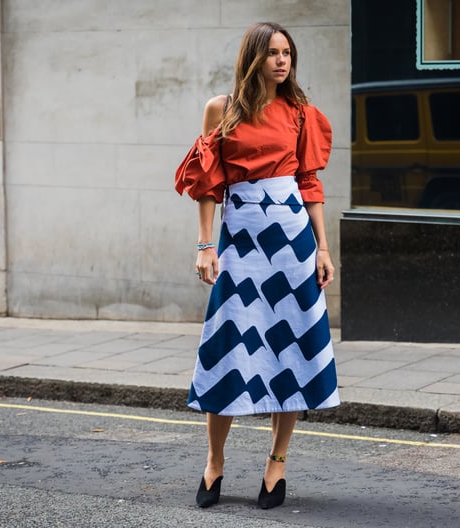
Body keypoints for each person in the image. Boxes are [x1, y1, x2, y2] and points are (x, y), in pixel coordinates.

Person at [174, 21, 340, 510]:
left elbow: (309, 184)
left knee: (289, 348)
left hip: (292, 240)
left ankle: (277, 463)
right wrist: (206, 245)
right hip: (241, 238)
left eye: (287, 52)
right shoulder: (220, 110)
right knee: (228, 347)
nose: (282, 61)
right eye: (272, 53)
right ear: (254, 58)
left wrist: (324, 248)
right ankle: (215, 461)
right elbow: (206, 182)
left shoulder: (302, 113)